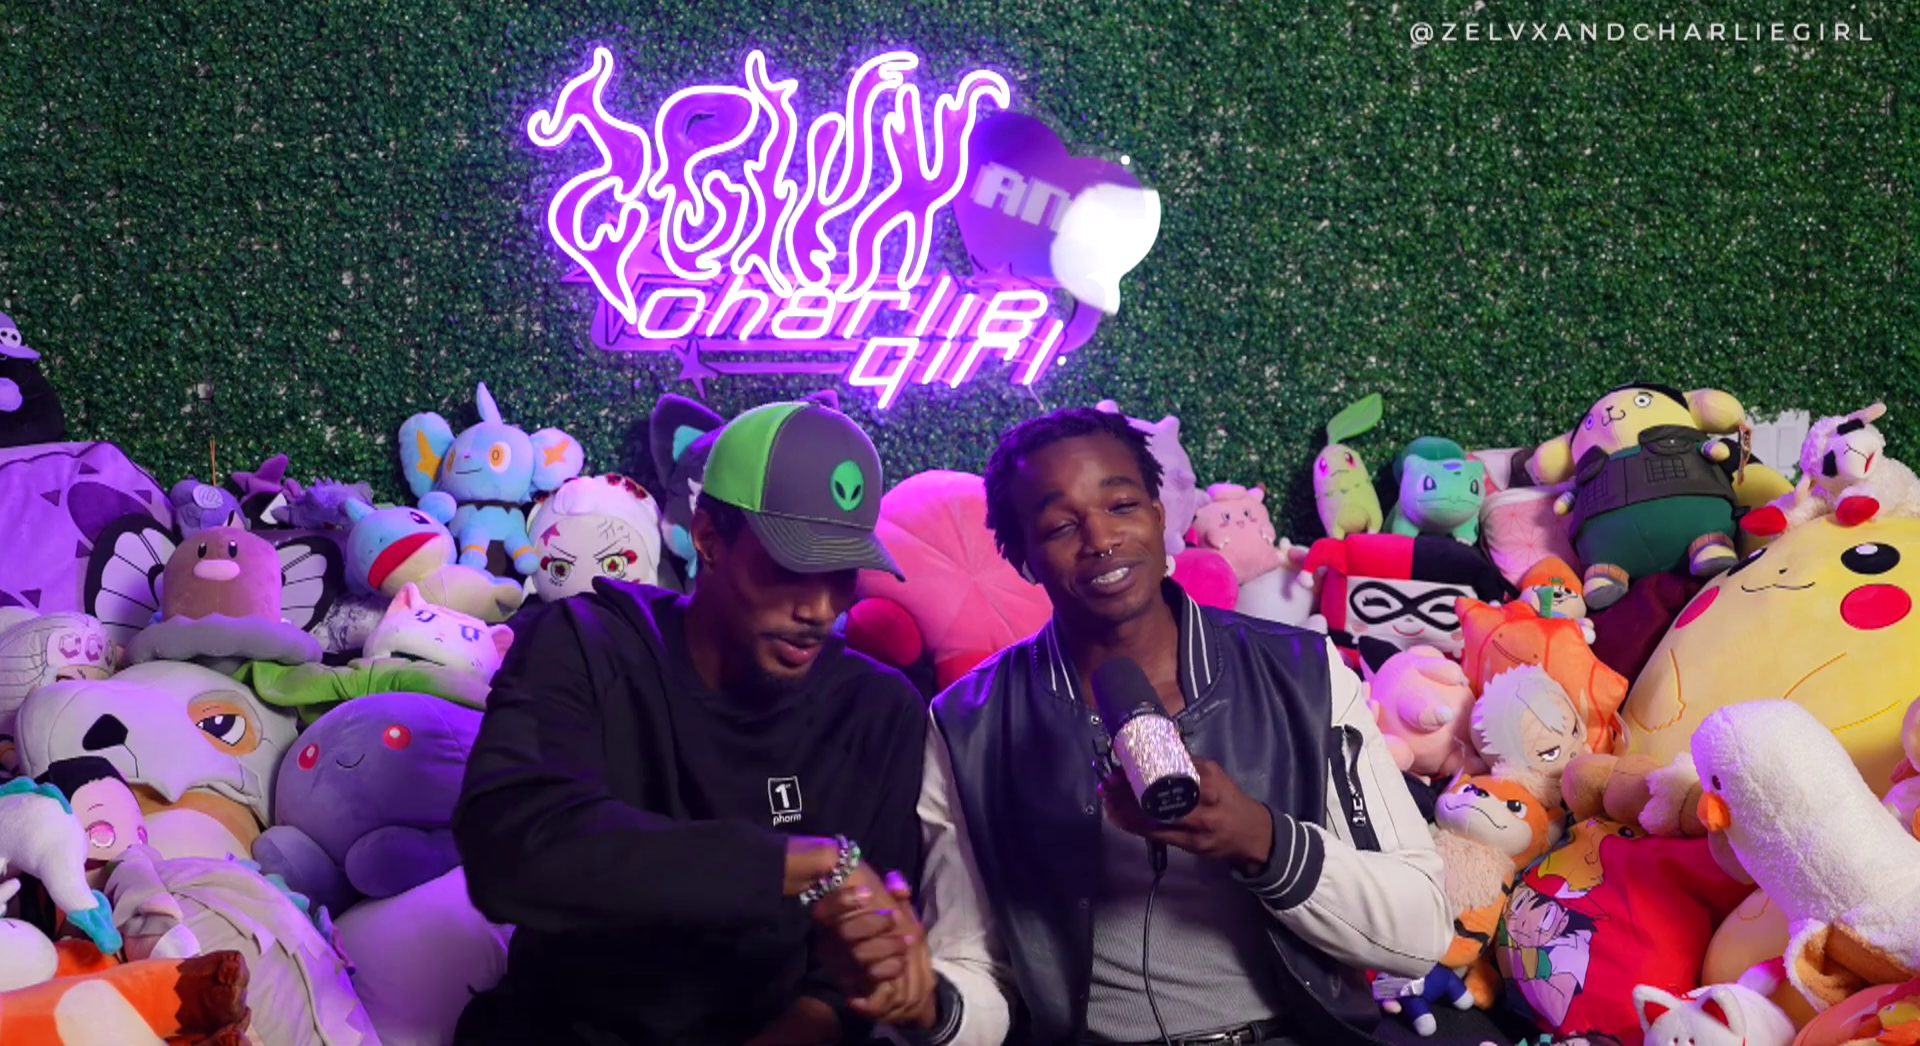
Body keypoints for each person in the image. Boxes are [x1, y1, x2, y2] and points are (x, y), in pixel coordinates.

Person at [823, 406, 1510, 1045]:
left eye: (1122, 505)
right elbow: (979, 967)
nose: (1101, 539)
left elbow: (1418, 929)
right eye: (1060, 526)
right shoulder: (967, 724)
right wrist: (929, 1003)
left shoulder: (1301, 672)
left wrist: (1261, 841)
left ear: (1158, 515)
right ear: (1023, 557)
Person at [452, 399, 935, 1045]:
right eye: (793, 567)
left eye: (841, 573)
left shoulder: (878, 710)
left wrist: (881, 971)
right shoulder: (589, 643)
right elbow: (512, 848)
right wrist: (794, 864)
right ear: (708, 538)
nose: (821, 609)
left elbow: (839, 988)